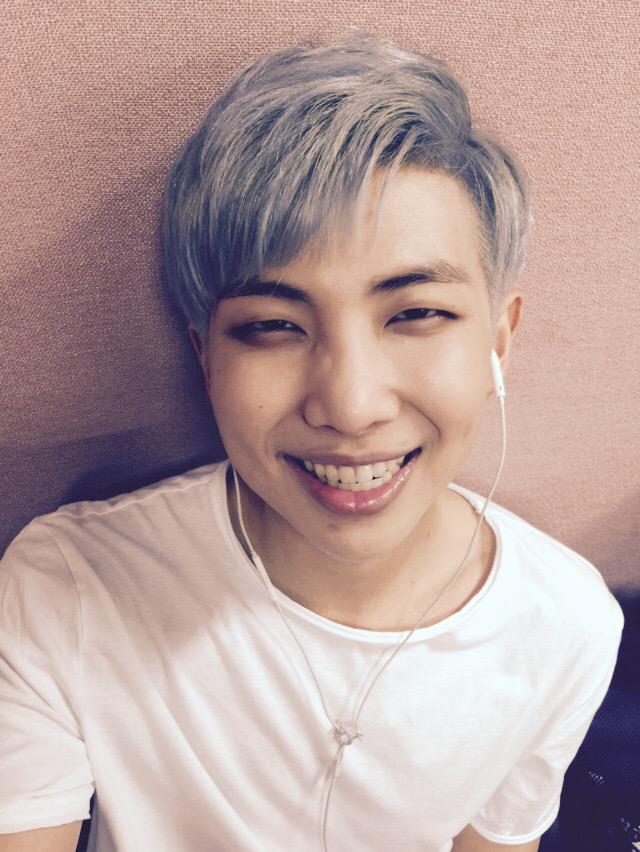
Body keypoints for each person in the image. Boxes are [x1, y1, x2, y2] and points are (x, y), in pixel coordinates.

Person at [0, 32, 624, 852]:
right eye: (272, 326)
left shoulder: (568, 625)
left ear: (498, 342)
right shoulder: (67, 591)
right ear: (206, 359)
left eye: (416, 313)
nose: (352, 406)